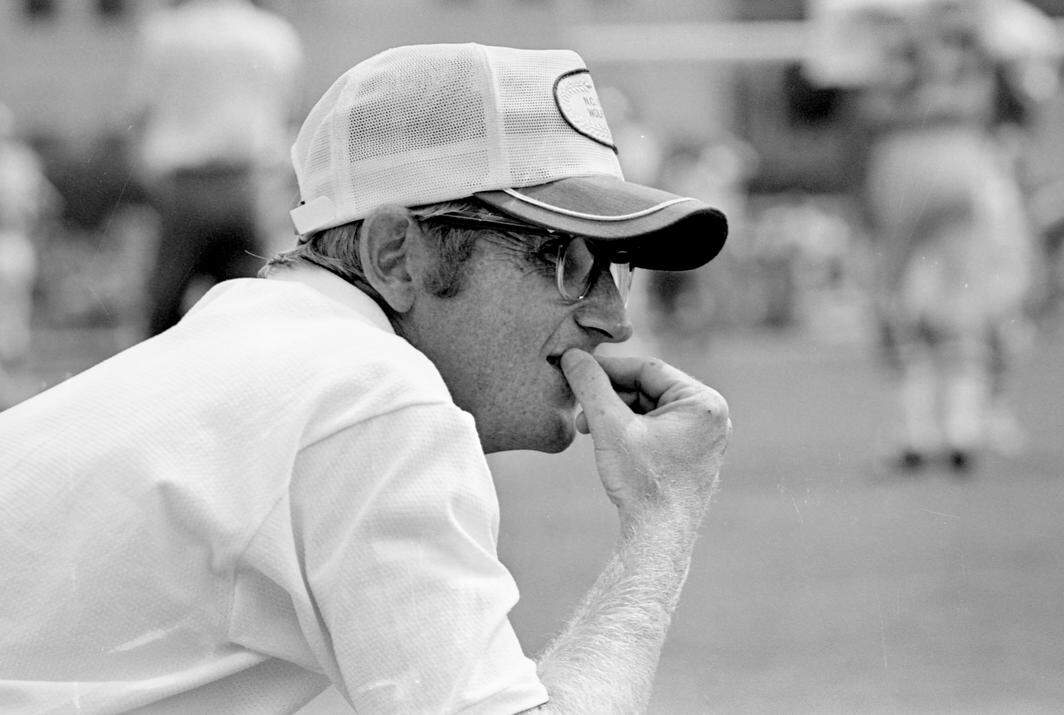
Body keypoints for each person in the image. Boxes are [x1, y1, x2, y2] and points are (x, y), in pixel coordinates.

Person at [0, 43, 731, 712]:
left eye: (617, 268)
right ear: (394, 254)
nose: (612, 318)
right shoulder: (372, 393)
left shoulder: (271, 338)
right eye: (564, 258)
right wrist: (662, 519)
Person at [810, 0, 1054, 470]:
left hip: (903, 158)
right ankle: (965, 425)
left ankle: (915, 429)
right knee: (969, 296)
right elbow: (1021, 97)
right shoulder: (981, 25)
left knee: (895, 296)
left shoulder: (880, 28)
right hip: (964, 153)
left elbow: (853, 105)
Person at [130, 0, 303, 336]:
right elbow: (289, 113)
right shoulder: (273, 34)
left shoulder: (165, 32)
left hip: (185, 186)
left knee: (163, 313)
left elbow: (140, 111)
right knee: (247, 310)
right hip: (248, 186)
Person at [0, 102, 59, 405]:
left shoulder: (20, 162)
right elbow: (47, 205)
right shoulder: (22, 162)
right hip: (15, 244)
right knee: (13, 324)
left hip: (11, 242)